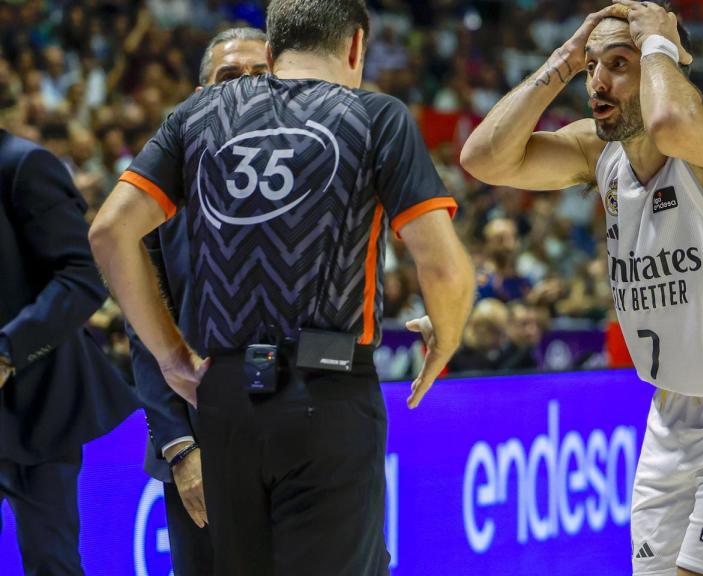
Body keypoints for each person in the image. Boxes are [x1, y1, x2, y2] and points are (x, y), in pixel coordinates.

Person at [88, 0, 476, 573]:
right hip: (329, 391)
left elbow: (110, 231)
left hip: (223, 398)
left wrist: (173, 358)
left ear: (271, 53)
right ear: (355, 47)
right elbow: (443, 268)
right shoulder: (377, 116)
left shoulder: (196, 115)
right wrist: (446, 335)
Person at [460, 2, 703, 575]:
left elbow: (671, 125)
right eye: (593, 67)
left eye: (620, 64)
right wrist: (563, 58)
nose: (598, 82)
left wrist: (660, 42)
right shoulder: (600, 154)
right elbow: (483, 158)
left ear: (665, 64)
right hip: (672, 415)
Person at [126, 26, 268, 576]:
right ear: (199, 94)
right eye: (228, 76)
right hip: (200, 443)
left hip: (300, 433)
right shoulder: (162, 192)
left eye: (261, 75)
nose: (245, 87)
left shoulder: (318, 177)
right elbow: (146, 330)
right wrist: (181, 449)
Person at [0, 130, 137, 575]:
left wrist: (7, 350)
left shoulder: (24, 166)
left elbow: (82, 276)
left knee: (50, 561)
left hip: (36, 404)